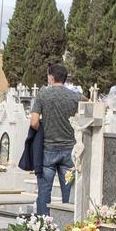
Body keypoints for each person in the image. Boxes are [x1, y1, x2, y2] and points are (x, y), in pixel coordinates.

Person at [29, 63, 82, 215]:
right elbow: (90, 105)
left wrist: (44, 130)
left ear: (51, 78)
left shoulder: (43, 95)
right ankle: (69, 224)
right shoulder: (75, 97)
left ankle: (43, 227)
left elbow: (34, 122)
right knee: (70, 194)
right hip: (69, 150)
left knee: (44, 192)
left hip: (48, 149)